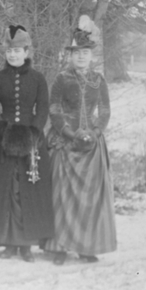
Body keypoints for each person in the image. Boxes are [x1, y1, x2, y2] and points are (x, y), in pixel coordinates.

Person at [0, 24, 53, 262]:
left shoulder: (38, 79)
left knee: (27, 190)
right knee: (6, 190)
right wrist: (0, 131)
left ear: (26, 51)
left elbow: (43, 109)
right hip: (2, 143)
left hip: (31, 143)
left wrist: (33, 133)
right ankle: (8, 243)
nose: (13, 54)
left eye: (17, 50)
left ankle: (27, 244)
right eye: (9, 50)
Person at [43, 19, 117, 265]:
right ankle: (59, 247)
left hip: (91, 147)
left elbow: (105, 110)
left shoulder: (99, 80)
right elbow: (54, 109)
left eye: (85, 53)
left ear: (91, 55)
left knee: (90, 198)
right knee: (61, 196)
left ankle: (87, 247)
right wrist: (68, 132)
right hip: (65, 144)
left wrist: (95, 133)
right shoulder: (61, 79)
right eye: (77, 53)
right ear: (71, 56)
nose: (81, 57)